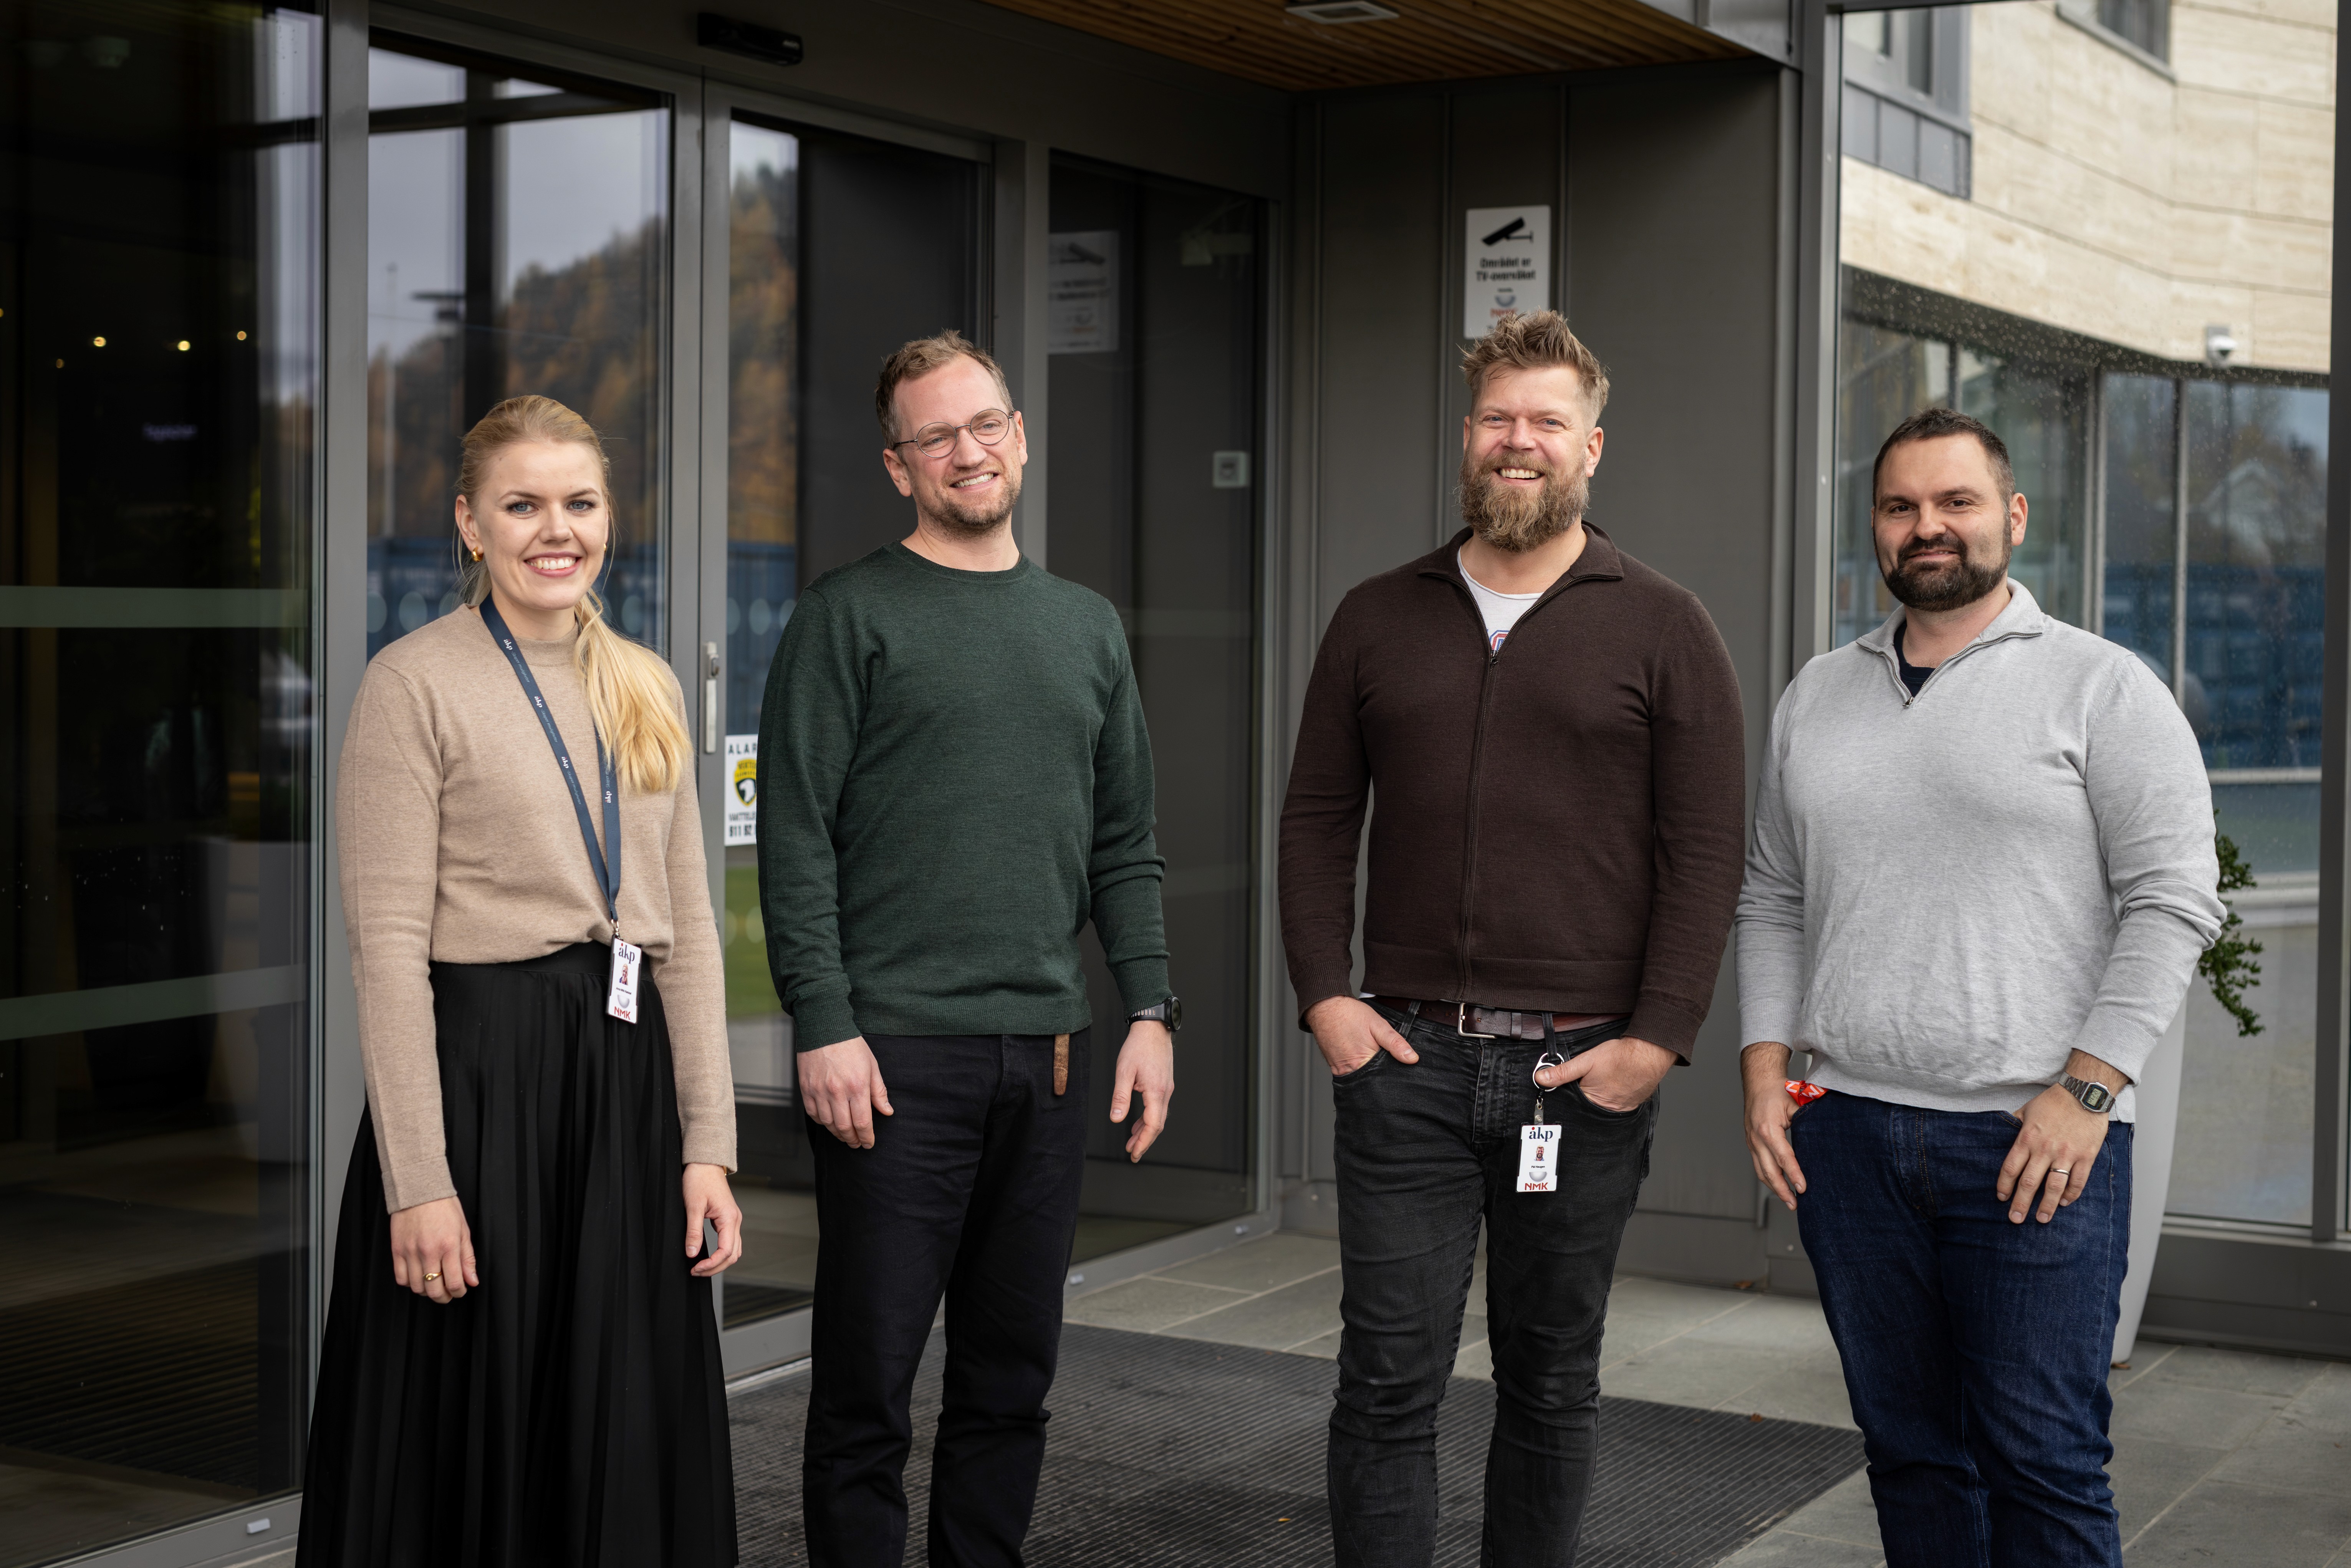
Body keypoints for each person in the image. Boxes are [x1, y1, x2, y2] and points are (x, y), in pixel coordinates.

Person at [1278, 310, 1748, 1568]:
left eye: (1547, 420)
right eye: (1497, 417)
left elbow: (1706, 850)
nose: (1518, 440)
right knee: (1386, 1379)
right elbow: (1315, 820)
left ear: (1590, 447)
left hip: (1576, 1074)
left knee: (1548, 1379)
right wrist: (1326, 995)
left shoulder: (1664, 625)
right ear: (1467, 438)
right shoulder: (1376, 615)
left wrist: (1656, 1037)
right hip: (1406, 1065)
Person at [1735, 406, 2225, 1568]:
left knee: (2044, 1465)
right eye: (1901, 506)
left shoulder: (2102, 686)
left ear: (2013, 516)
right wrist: (1763, 1068)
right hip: (1849, 1137)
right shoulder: (1818, 693)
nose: (1928, 527)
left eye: (1955, 502)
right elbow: (1772, 896)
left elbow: (2174, 901)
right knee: (1909, 1454)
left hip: (2029, 1144)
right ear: (1875, 526)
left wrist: (2088, 1091)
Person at [758, 329, 1178, 1568]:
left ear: (1020, 437)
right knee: (867, 1389)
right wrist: (823, 1020)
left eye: (984, 423)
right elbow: (795, 839)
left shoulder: (1086, 627)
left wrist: (1149, 1010)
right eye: (934, 436)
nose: (967, 451)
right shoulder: (846, 616)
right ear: (899, 467)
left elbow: (1125, 844)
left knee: (1009, 1382)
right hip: (891, 1063)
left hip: (1048, 1059)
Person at [300, 396, 742, 1568]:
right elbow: (387, 948)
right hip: (482, 1089)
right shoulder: (411, 683)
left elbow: (688, 934)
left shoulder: (645, 682)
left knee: (616, 1407)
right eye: (523, 505)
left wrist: (707, 1143)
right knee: (477, 1416)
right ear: (470, 523)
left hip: (624, 1092)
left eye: (580, 502)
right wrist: (418, 1185)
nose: (558, 530)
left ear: (609, 515)